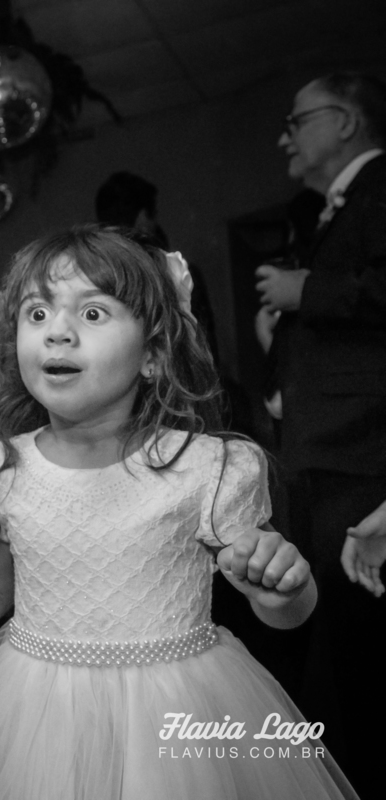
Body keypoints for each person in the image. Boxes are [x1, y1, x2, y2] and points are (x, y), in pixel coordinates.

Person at [0, 227, 356, 799]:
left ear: (151, 356)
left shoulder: (206, 467)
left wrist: (283, 591)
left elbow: (285, 610)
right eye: (38, 312)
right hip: (36, 716)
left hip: (179, 717)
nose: (58, 331)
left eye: (93, 313)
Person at [255, 71, 386, 793]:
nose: (285, 135)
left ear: (345, 120)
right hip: (325, 453)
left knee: (368, 664)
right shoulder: (328, 211)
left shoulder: (379, 189)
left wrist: (311, 291)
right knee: (342, 659)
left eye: (297, 119)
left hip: (367, 462)